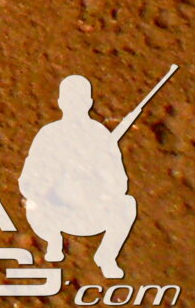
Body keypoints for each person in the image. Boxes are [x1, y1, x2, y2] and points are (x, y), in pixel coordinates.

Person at [20, 74, 140, 278]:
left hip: (91, 212)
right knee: (32, 204)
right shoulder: (49, 134)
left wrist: (96, 178)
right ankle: (53, 240)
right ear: (61, 102)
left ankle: (106, 256)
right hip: (54, 213)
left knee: (126, 204)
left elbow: (120, 183)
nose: (74, 105)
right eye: (70, 100)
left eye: (79, 100)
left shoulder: (100, 136)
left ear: (88, 103)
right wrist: (54, 178)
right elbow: (28, 180)